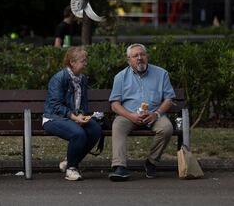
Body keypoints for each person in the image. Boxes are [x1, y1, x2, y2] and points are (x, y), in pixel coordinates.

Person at [108, 43, 175, 181]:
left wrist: (156, 114)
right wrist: (130, 116)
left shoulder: (161, 74)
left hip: (154, 114)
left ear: (147, 56)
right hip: (128, 114)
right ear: (129, 60)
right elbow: (114, 104)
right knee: (118, 126)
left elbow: (169, 99)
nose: (139, 58)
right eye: (135, 56)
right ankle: (119, 167)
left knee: (166, 128)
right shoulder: (120, 77)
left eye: (142, 54)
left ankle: (151, 162)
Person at [42, 47, 102, 181]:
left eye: (86, 60)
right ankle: (71, 169)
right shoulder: (59, 78)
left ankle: (69, 161)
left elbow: (83, 103)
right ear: (72, 62)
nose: (85, 63)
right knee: (78, 134)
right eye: (83, 61)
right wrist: (74, 117)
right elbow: (55, 106)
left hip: (73, 117)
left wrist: (82, 116)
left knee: (95, 130)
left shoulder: (82, 79)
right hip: (53, 118)